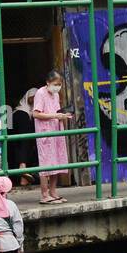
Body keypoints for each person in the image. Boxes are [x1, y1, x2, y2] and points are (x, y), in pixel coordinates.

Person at [33, 69, 72, 205]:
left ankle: (53, 192)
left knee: (57, 160)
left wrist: (63, 115)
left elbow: (56, 111)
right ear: (48, 82)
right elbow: (36, 114)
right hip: (45, 132)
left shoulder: (56, 95)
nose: (58, 86)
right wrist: (56, 116)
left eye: (59, 84)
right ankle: (44, 194)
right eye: (55, 84)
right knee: (45, 162)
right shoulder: (40, 93)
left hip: (56, 130)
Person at [9, 87, 38, 186]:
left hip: (18, 145)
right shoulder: (22, 113)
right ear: (27, 97)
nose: (34, 100)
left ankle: (23, 177)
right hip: (20, 145)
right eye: (32, 97)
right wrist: (23, 161)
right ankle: (23, 174)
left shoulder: (25, 112)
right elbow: (24, 137)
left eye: (36, 97)